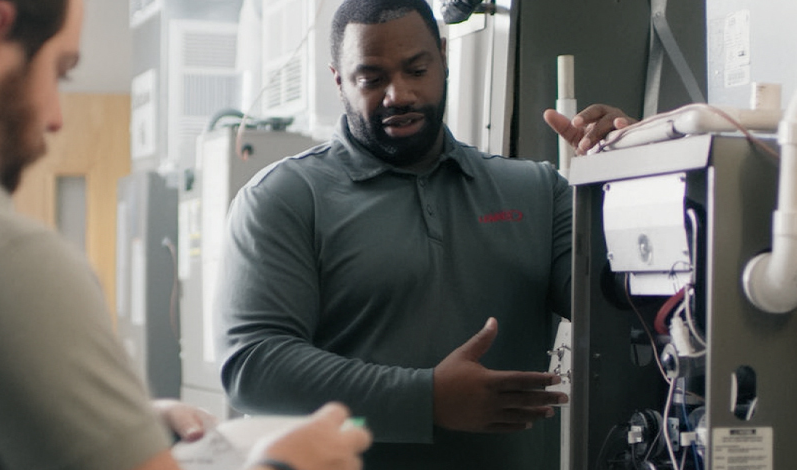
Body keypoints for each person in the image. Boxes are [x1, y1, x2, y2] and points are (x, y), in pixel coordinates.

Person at [0, 1, 370, 469]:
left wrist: (113, 432)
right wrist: (286, 463)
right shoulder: (0, 261)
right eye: (59, 71)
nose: (55, 117)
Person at [216, 0, 573, 468]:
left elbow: (622, 307)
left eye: (416, 69)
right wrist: (425, 400)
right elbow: (253, 366)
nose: (397, 94)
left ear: (444, 58)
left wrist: (623, 169)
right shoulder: (285, 198)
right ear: (338, 80)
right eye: (371, 78)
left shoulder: (538, 191)